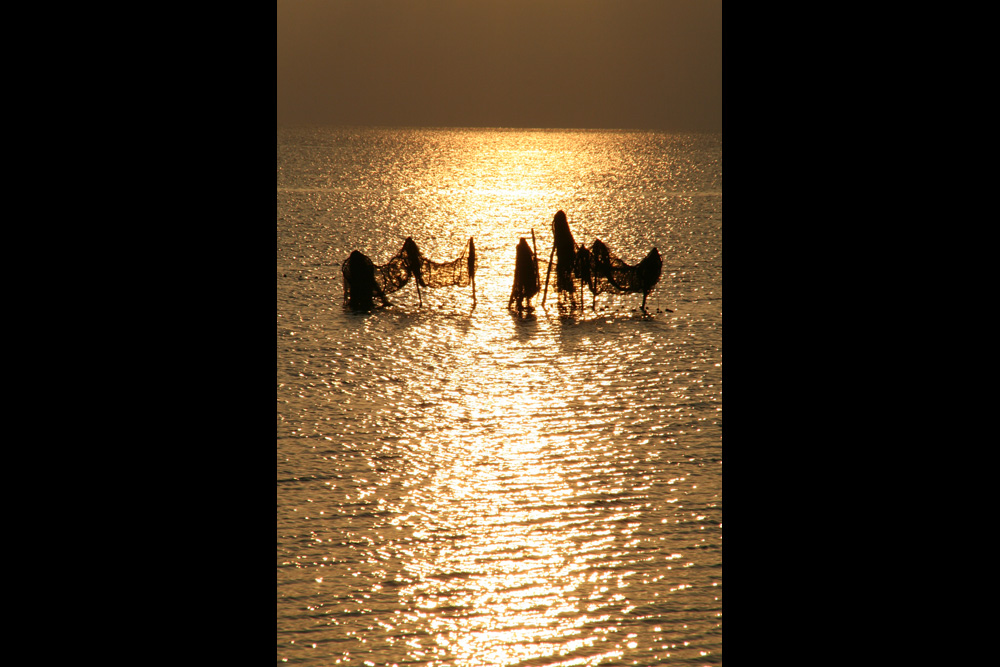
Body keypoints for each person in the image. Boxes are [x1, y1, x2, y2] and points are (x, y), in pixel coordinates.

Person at [508, 237, 539, 312]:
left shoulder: (523, 248)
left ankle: (524, 303)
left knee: (525, 288)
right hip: (524, 273)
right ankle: (521, 303)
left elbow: (531, 255)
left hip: (525, 273)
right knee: (523, 288)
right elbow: (531, 255)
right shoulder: (522, 248)